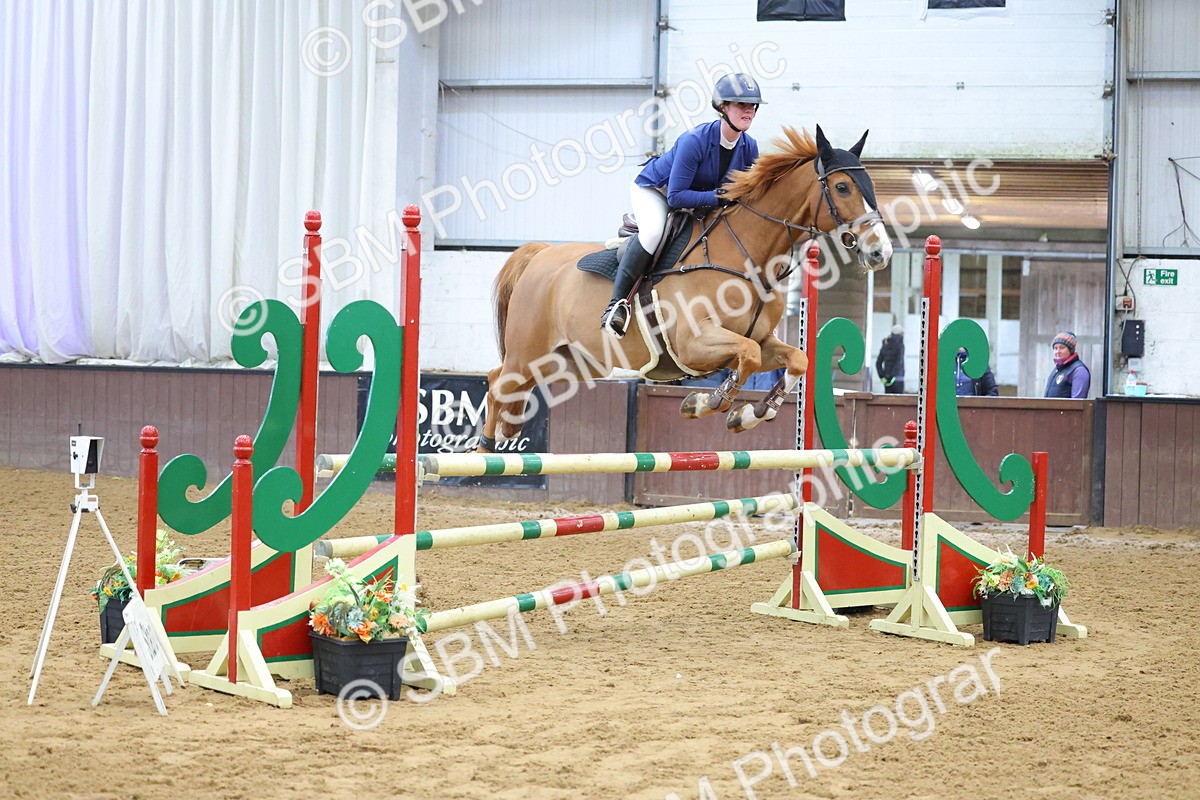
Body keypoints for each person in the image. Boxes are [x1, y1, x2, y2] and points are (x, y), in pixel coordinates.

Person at [601, 73, 764, 337]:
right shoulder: (694, 140)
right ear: (723, 107)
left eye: (752, 106)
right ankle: (616, 306)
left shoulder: (749, 147)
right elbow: (676, 197)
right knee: (653, 232)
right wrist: (719, 197)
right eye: (740, 104)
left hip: (698, 198)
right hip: (656, 190)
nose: (748, 110)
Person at [1044, 331, 1091, 399]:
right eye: (1055, 348)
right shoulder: (1058, 369)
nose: (1058, 351)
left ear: (1071, 350)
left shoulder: (1079, 370)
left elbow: (1078, 403)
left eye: (1062, 348)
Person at [875, 325, 905, 393]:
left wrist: (882, 377)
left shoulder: (885, 344)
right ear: (900, 334)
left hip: (887, 380)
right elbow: (899, 362)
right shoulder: (900, 344)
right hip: (898, 378)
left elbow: (878, 363)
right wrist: (892, 376)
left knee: (888, 401)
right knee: (900, 402)